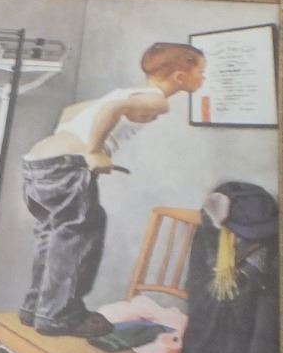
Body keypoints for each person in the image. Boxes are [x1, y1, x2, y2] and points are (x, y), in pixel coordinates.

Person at [19, 42, 206, 336]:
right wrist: (93, 151)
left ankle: (36, 308)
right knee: (78, 238)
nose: (203, 79)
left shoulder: (127, 92)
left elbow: (70, 111)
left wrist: (70, 144)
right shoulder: (157, 101)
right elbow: (112, 109)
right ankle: (58, 316)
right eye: (200, 72)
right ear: (180, 77)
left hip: (38, 164)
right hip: (67, 165)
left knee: (53, 234)